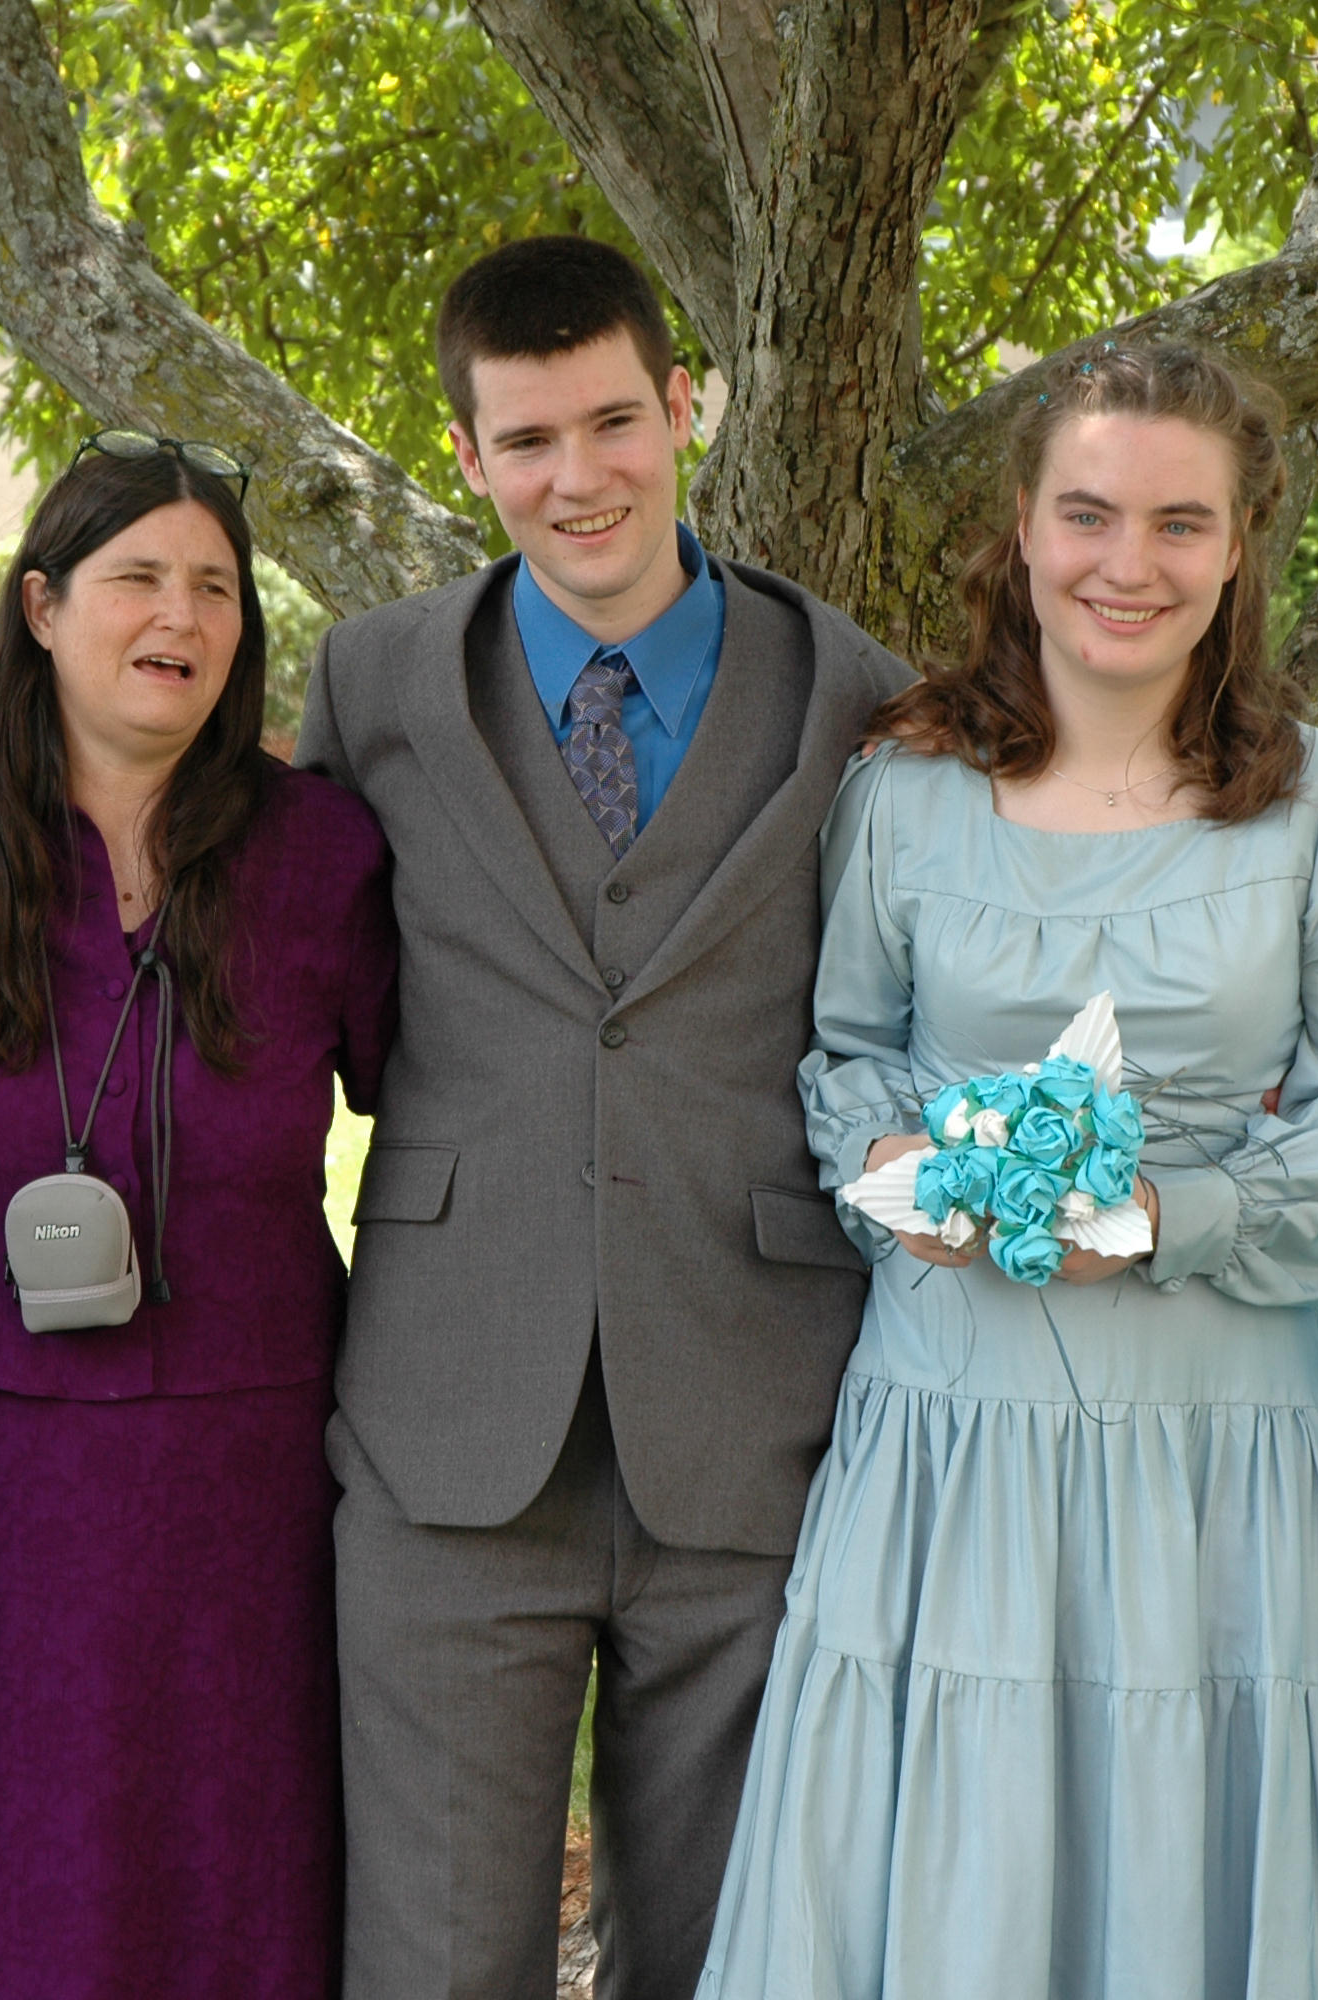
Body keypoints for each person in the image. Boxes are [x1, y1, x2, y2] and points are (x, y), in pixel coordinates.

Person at [698, 339, 1318, 1999]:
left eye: (1181, 524)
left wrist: (1170, 1218)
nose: (1131, 564)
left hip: (1216, 1433)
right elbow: (849, 1055)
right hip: (949, 1418)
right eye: (1091, 515)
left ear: (1242, 543)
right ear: (1023, 532)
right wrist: (902, 1168)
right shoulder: (902, 792)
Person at [292, 234, 913, 1997]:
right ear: (468, 459)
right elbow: (289, 984)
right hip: (446, 1422)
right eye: (530, 439)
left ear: (686, 405)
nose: (582, 478)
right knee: (429, 1954)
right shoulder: (375, 684)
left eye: (616, 421)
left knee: (735, 1951)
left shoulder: (856, 693)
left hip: (757, 1405)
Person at [0, 435, 396, 1998]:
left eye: (215, 586)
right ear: (44, 608)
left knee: (232, 1872)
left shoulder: (329, 856)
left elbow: (445, 1121)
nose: (181, 614)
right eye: (138, 575)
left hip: (252, 1479)